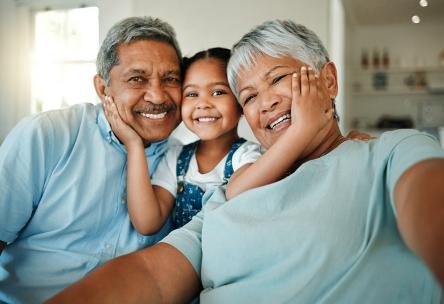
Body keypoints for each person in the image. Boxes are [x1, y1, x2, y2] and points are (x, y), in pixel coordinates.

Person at [48, 20, 444, 303]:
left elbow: (429, 200)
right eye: (250, 96)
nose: (265, 102)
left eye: (278, 79)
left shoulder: (391, 152)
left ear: (328, 81)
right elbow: (152, 274)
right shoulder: (229, 193)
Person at [0, 16, 183, 303]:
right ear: (102, 88)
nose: (158, 95)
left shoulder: (183, 160)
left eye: (171, 79)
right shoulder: (47, 135)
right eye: (137, 79)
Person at [102, 47, 331, 235]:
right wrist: (134, 145)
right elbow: (147, 223)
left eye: (218, 92)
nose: (203, 104)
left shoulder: (249, 156)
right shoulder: (177, 159)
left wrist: (302, 129)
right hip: (183, 268)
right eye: (192, 94)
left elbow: (237, 190)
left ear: (241, 103)